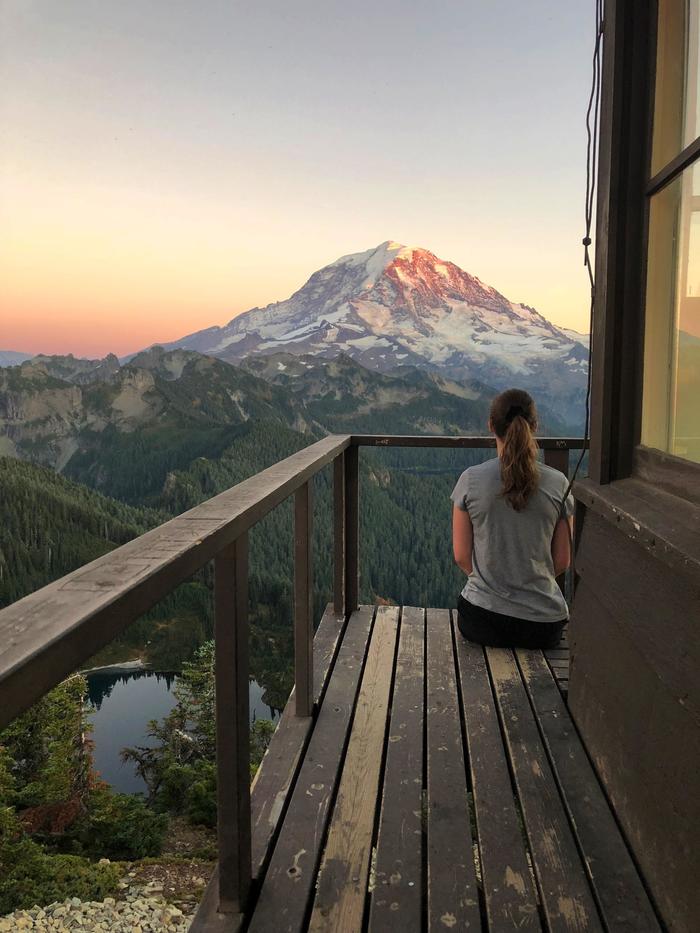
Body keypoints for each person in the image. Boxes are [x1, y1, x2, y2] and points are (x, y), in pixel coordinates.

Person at [450, 388, 574, 649]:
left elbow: (462, 556)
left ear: (491, 426)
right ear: (535, 426)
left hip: (483, 621)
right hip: (542, 627)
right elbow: (562, 560)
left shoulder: (471, 480)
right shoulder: (558, 483)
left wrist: (492, 583)